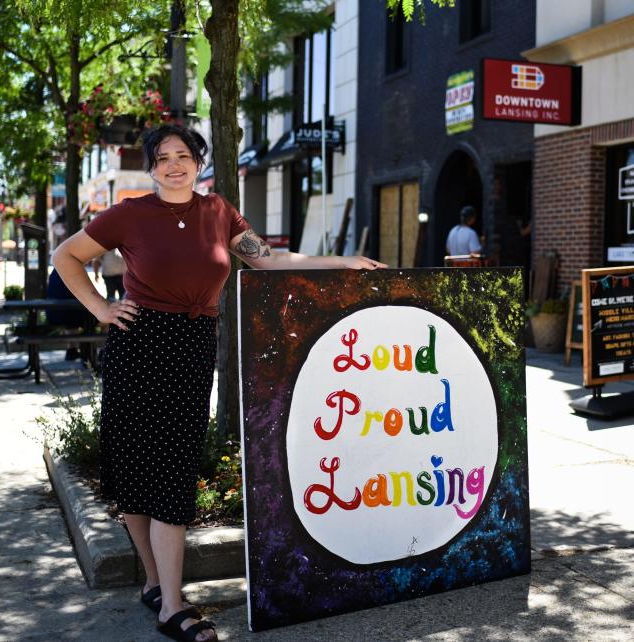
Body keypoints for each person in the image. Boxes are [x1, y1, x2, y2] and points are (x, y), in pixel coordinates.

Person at [52, 124, 385, 642]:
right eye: (162, 158)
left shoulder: (219, 213)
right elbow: (66, 256)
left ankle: (162, 590)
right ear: (151, 166)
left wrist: (340, 261)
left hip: (191, 346)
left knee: (171, 471)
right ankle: (168, 600)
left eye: (183, 155)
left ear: (198, 161)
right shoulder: (130, 213)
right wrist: (100, 309)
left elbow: (269, 259)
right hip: (139, 344)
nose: (174, 165)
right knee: (139, 470)